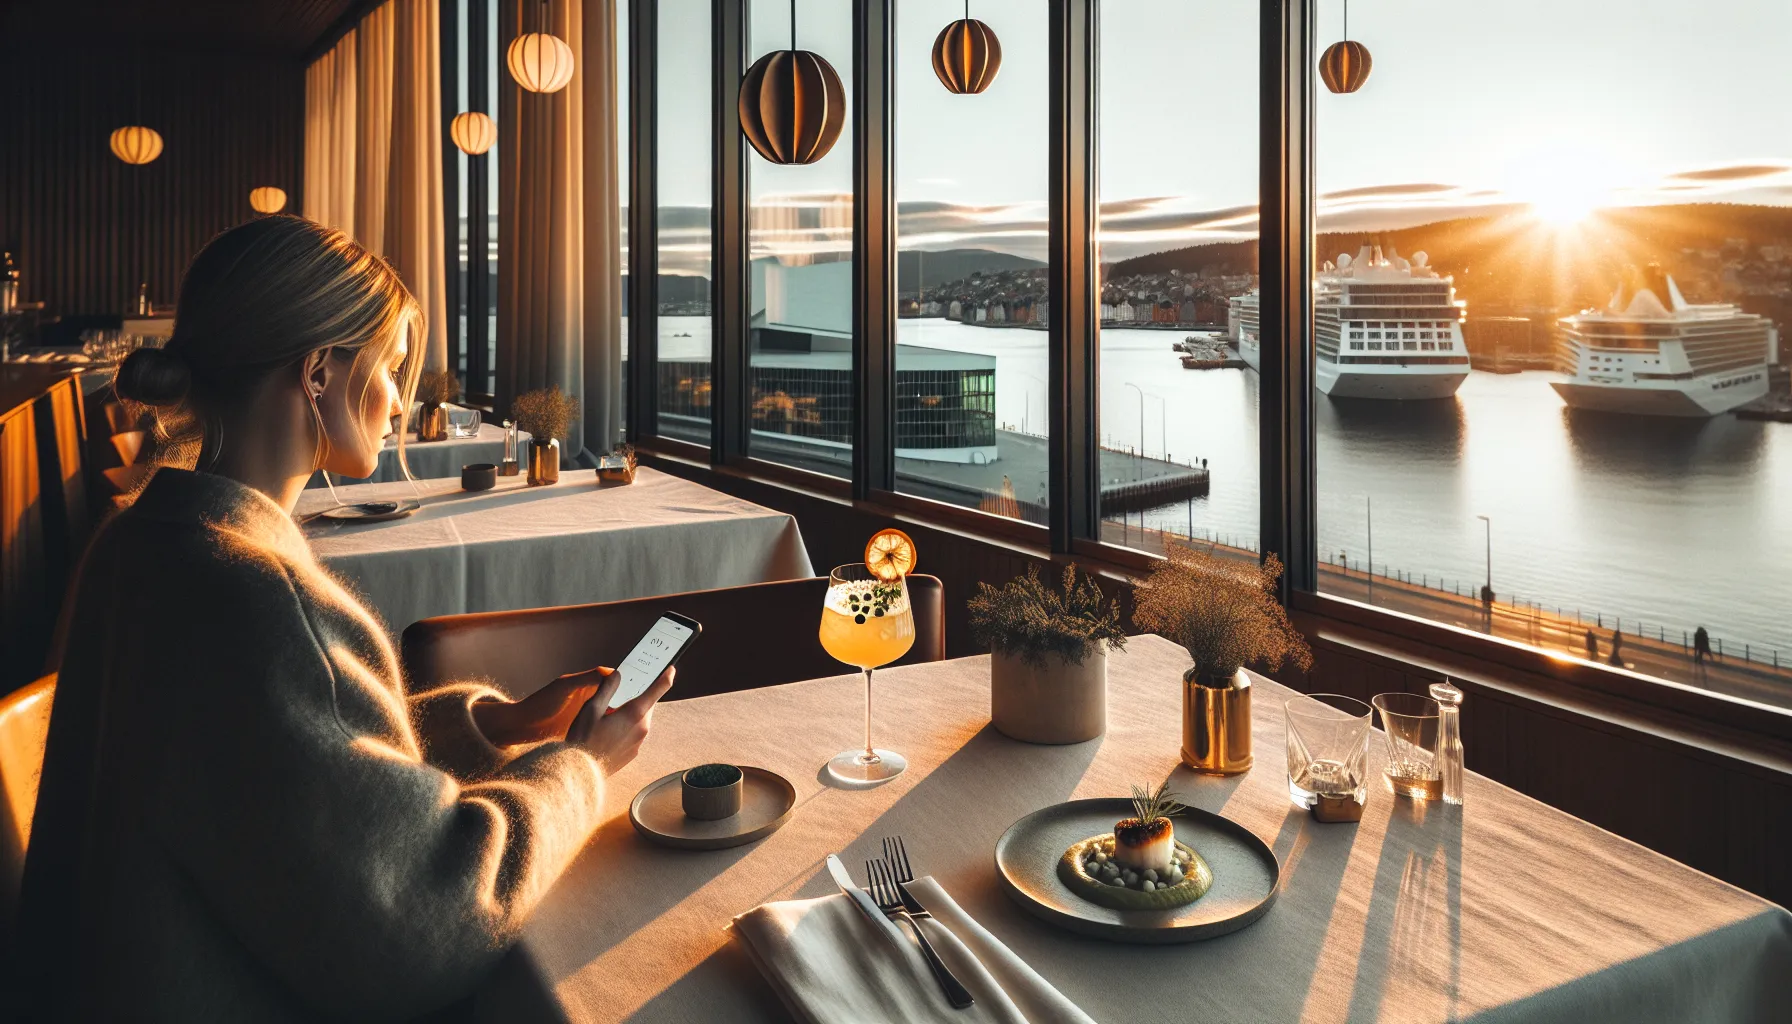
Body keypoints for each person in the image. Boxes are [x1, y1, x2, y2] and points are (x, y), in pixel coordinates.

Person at [16, 216, 672, 1020]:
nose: (399, 399)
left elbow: (271, 766)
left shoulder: (144, 542)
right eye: (392, 367)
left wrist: (491, 728)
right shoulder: (251, 594)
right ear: (320, 372)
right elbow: (428, 922)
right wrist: (582, 767)